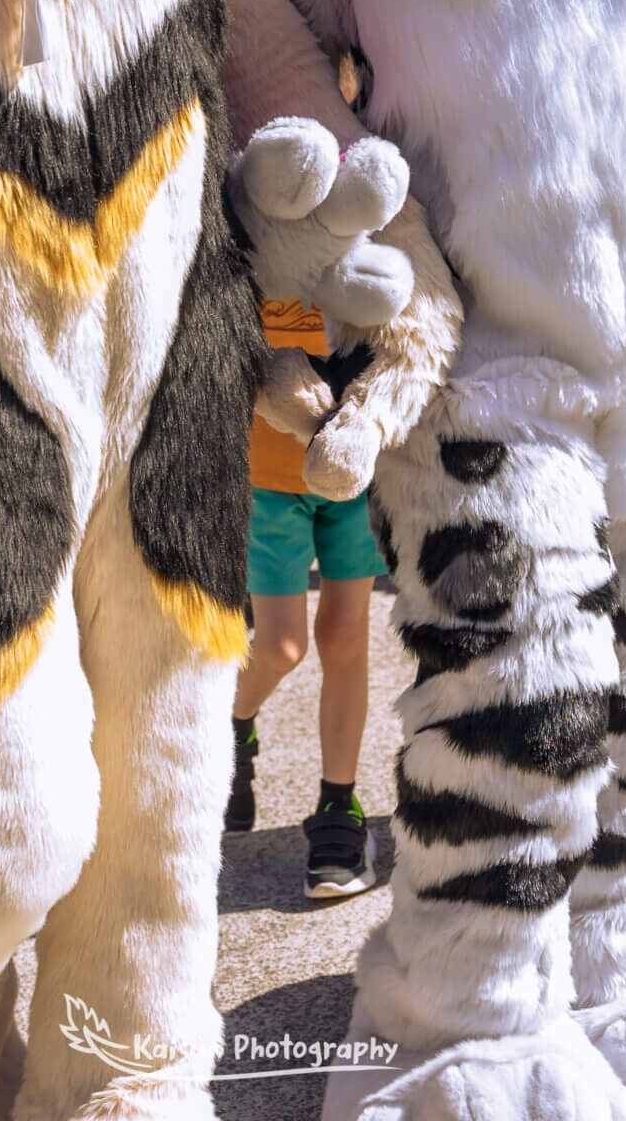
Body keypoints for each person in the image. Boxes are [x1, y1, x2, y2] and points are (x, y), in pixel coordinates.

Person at [226, 295, 387, 898]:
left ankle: (338, 811)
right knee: (281, 646)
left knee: (344, 635)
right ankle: (233, 729)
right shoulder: (246, 210)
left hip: (353, 464)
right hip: (267, 476)